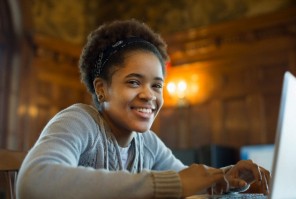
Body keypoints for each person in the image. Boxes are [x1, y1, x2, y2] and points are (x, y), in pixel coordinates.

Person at [16, 19, 270, 199]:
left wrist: (228, 177)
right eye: (134, 82)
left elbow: (187, 179)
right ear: (101, 89)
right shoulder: (79, 121)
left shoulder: (146, 142)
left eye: (157, 85)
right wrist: (170, 184)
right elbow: (34, 182)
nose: (149, 95)